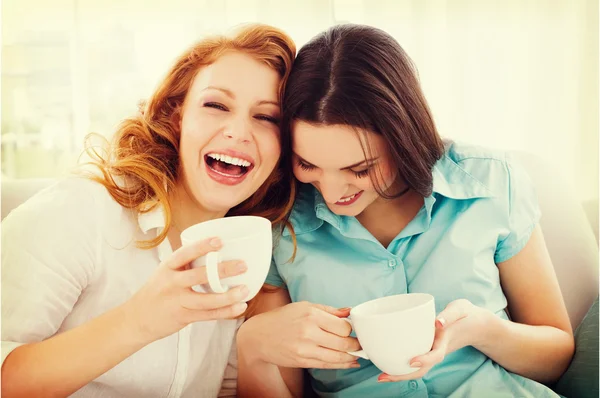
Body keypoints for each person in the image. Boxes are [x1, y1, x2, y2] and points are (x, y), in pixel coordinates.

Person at [236, 24, 574, 397]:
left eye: (360, 169)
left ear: (403, 137)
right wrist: (252, 347)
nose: (332, 193)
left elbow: (556, 356)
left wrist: (482, 329)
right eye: (308, 164)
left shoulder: (491, 183)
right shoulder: (278, 226)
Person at [1, 23, 296, 397]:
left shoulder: (254, 258)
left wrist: (256, 349)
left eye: (266, 117)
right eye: (216, 105)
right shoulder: (80, 213)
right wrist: (139, 321)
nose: (238, 131)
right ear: (177, 118)